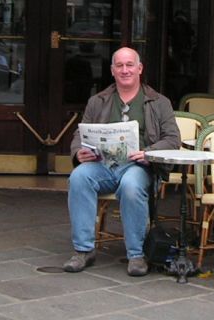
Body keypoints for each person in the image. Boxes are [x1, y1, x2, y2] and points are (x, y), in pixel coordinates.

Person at [64, 46, 180, 277]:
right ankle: (83, 250)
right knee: (78, 177)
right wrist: (78, 152)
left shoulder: (159, 102)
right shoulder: (98, 101)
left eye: (129, 65)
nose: (125, 70)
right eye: (119, 65)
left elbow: (173, 139)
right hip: (103, 166)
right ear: (112, 70)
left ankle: (136, 255)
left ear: (139, 69)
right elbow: (80, 134)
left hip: (140, 167)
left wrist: (148, 152)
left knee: (131, 185)